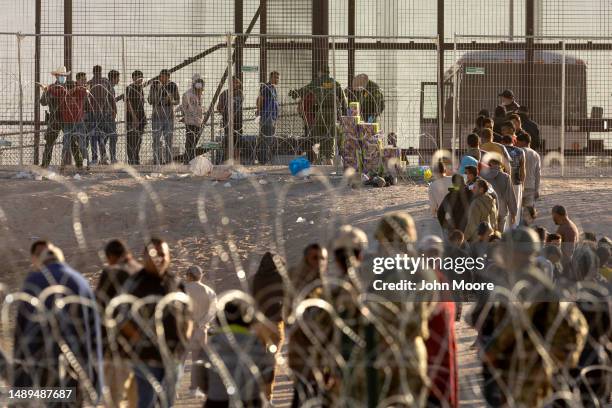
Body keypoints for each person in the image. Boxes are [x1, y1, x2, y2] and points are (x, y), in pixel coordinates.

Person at [469, 228, 587, 408]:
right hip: (535, 371)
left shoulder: (520, 284)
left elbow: (509, 324)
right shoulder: (543, 283)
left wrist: (491, 351)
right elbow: (578, 326)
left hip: (520, 373)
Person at [13, 241, 104, 405]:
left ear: (36, 259)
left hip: (43, 370)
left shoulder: (34, 281)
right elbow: (94, 335)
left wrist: (19, 386)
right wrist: (96, 383)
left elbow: (22, 332)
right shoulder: (80, 282)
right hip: (76, 368)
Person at [120, 238, 192, 408]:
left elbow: (187, 315)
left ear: (169, 257)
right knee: (146, 402)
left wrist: (185, 339)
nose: (158, 258)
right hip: (146, 357)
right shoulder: (134, 284)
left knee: (167, 401)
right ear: (143, 257)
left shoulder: (176, 283)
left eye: (162, 254)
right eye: (153, 254)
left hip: (173, 355)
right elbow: (122, 317)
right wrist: (138, 340)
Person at [197, 300, 275, 407]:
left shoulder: (210, 346)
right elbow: (267, 376)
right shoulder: (256, 344)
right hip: (250, 401)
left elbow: (199, 379)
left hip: (217, 401)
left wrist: (213, 390)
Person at [95, 239, 141, 408]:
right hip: (144, 350)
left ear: (110, 257)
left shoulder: (111, 272)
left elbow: (101, 309)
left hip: (118, 348)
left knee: (114, 398)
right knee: (137, 399)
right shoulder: (141, 271)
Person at [417, 235, 458, 408]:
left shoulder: (443, 280)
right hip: (425, 355)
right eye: (430, 253)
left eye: (437, 253)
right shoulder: (418, 282)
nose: (434, 257)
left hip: (445, 351)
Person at [289, 66, 347, 164]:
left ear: (320, 72)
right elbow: (343, 99)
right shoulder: (334, 83)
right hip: (332, 112)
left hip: (321, 111)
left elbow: (304, 90)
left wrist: (294, 93)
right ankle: (329, 158)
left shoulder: (317, 82)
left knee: (317, 133)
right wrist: (344, 113)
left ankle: (319, 155)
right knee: (330, 135)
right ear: (328, 73)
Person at [182, 265, 217, 395]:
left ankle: (173, 388)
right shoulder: (209, 291)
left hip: (184, 329)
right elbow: (212, 312)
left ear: (189, 275)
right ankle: (193, 388)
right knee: (196, 360)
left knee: (180, 359)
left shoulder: (183, 289)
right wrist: (201, 323)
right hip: (201, 330)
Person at [39, 66, 83, 167]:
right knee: (49, 142)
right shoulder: (50, 88)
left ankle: (79, 163)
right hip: (55, 119)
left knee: (72, 141)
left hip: (67, 118)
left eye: (64, 76)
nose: (63, 77)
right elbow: (43, 102)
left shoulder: (70, 87)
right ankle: (45, 164)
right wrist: (46, 92)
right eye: (61, 76)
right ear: (57, 76)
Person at [148, 69, 180, 165]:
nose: (162, 78)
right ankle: (157, 160)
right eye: (161, 76)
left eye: (164, 77)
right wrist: (159, 94)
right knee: (156, 139)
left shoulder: (173, 85)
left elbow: (177, 101)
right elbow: (150, 100)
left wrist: (170, 100)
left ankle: (168, 161)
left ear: (168, 77)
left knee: (168, 140)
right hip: (157, 115)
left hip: (169, 116)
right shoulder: (154, 85)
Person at [87, 65, 116, 165]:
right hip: (102, 112)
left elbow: (86, 100)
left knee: (94, 136)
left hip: (94, 113)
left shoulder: (90, 83)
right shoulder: (105, 82)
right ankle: (102, 157)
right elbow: (111, 97)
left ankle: (96, 158)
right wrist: (114, 110)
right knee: (100, 136)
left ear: (93, 72)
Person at [481, 158, 517, 232]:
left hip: (488, 209)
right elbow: (510, 196)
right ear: (500, 164)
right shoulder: (506, 177)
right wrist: (513, 213)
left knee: (488, 234)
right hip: (502, 210)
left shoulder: (482, 176)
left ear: (489, 163)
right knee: (499, 235)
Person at [500, 127, 526, 228]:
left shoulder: (500, 150)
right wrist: (522, 184)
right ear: (513, 142)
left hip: (503, 183)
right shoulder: (520, 152)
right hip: (516, 183)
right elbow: (522, 170)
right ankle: (514, 227)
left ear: (502, 142)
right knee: (516, 206)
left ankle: (505, 229)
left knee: (504, 206)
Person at [217, 76, 244, 163]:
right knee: (228, 141)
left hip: (238, 121)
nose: (235, 84)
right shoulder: (224, 94)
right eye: (233, 82)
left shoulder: (239, 93)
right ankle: (228, 161)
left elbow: (238, 103)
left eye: (236, 83)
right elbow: (218, 107)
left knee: (237, 142)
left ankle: (236, 162)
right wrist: (225, 114)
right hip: (227, 121)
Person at [256, 71, 280, 164]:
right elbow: (260, 99)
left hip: (272, 117)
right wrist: (259, 111)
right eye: (275, 77)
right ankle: (263, 160)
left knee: (269, 139)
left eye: (278, 78)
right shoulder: (266, 87)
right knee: (266, 139)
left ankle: (265, 159)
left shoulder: (273, 88)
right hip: (267, 117)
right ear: (270, 78)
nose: (277, 79)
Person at [515, 132, 541, 216]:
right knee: (528, 213)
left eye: (518, 142)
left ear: (523, 142)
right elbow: (538, 174)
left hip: (518, 185)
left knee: (517, 212)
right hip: (531, 187)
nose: (516, 144)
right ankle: (527, 228)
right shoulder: (536, 155)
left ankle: (518, 228)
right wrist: (536, 189)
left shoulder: (517, 152)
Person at [181, 74, 205, 163]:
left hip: (198, 121)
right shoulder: (188, 94)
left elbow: (199, 107)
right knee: (190, 141)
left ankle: (191, 159)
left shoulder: (199, 94)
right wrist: (187, 116)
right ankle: (187, 160)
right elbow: (184, 107)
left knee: (194, 141)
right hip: (190, 121)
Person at [125, 70, 146, 165]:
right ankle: (131, 161)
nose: (140, 79)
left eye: (141, 77)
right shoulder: (129, 88)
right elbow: (128, 103)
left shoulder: (141, 88)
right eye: (138, 77)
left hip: (141, 118)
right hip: (132, 119)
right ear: (133, 78)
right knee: (131, 140)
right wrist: (134, 117)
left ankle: (136, 160)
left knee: (138, 141)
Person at [552, 205, 580, 273]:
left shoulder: (568, 229)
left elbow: (569, 253)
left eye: (553, 216)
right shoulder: (566, 225)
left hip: (565, 268)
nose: (552, 218)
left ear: (558, 215)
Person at [106, 70, 120, 163]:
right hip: (108, 116)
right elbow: (107, 100)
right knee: (113, 136)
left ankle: (106, 157)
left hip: (106, 115)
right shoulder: (110, 88)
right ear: (114, 78)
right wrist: (112, 111)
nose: (119, 80)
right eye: (118, 78)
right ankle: (113, 158)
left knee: (105, 137)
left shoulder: (109, 87)